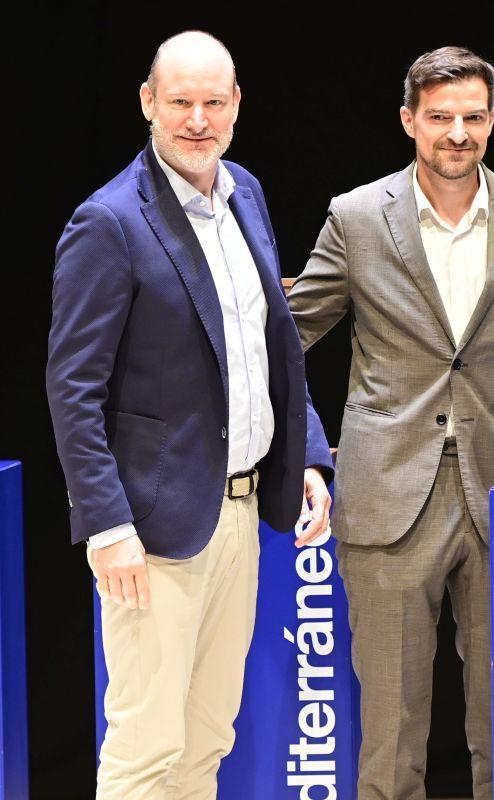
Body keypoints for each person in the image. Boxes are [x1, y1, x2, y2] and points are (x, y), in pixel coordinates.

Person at [287, 46, 494, 800]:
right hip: (387, 496)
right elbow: (279, 341)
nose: (457, 133)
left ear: (493, 120)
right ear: (408, 121)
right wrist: (303, 448)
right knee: (390, 736)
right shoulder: (357, 218)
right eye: (439, 117)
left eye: (472, 117)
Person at [46, 31, 333, 800]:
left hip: (239, 515)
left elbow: (272, 346)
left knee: (208, 736)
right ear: (148, 104)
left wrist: (307, 452)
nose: (197, 119)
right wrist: (107, 528)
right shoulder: (107, 224)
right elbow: (72, 388)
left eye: (213, 102)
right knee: (146, 748)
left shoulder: (246, 192)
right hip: (153, 533)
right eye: (180, 102)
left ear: (237, 105)